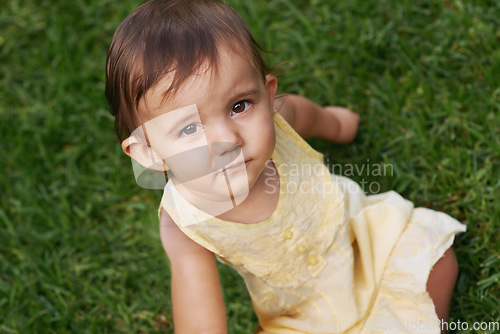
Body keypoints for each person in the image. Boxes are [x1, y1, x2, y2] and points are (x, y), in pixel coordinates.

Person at [105, 0, 466, 333]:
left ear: (267, 95)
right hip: (298, 312)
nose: (227, 139)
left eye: (239, 106)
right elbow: (199, 316)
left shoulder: (280, 118)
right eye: (188, 128)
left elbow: (309, 114)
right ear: (148, 152)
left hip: (363, 239)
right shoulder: (183, 222)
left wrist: (339, 125)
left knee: (437, 259)